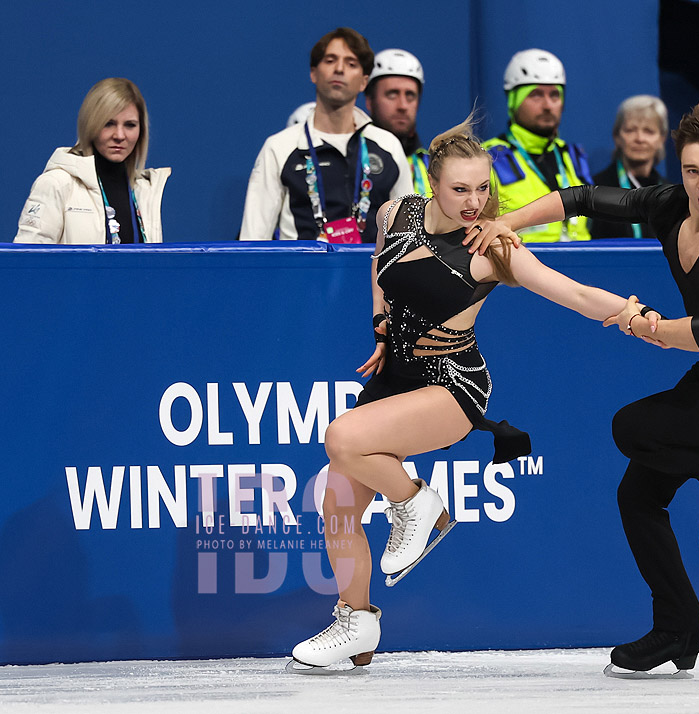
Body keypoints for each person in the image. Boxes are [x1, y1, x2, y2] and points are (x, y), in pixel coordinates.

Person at [287, 117, 648, 672]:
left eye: (483, 188)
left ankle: (416, 504)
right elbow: (380, 269)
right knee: (337, 502)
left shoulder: (495, 247)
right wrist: (382, 328)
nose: (475, 202)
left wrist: (632, 315)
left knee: (341, 438)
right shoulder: (395, 213)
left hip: (452, 386)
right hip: (395, 378)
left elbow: (573, 293)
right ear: (432, 184)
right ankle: (356, 622)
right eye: (460, 189)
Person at [470, 102, 699, 675]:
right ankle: (679, 626)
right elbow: (579, 197)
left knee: (632, 427)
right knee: (638, 495)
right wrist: (508, 223)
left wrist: (647, 326)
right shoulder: (670, 204)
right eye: (692, 171)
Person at [239, 27, 412, 243]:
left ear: (363, 82)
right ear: (313, 73)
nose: (339, 69)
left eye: (351, 63)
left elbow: (409, 236)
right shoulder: (279, 147)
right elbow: (253, 239)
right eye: (330, 60)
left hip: (370, 265)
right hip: (301, 265)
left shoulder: (388, 146)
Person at [14, 78, 169, 244]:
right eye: (108, 124)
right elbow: (27, 258)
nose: (119, 135)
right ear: (90, 125)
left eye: (130, 125)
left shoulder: (144, 192)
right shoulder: (56, 184)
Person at [482, 50, 591, 243]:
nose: (548, 105)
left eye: (555, 95)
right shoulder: (486, 158)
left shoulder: (572, 156)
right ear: (513, 101)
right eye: (536, 95)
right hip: (520, 259)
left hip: (581, 257)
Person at [590, 95, 669, 239]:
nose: (639, 138)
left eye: (649, 131)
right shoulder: (596, 191)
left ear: (661, 139)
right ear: (617, 137)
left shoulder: (670, 195)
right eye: (630, 130)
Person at [364, 48, 431, 197]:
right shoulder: (354, 160)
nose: (403, 105)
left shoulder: (434, 168)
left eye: (410, 95)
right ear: (369, 101)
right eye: (392, 94)